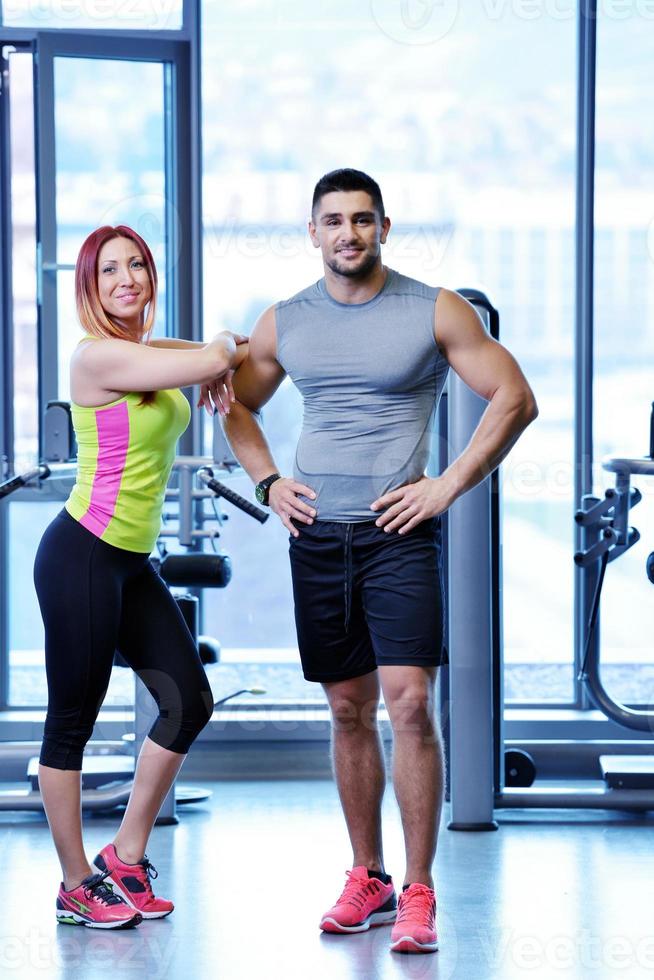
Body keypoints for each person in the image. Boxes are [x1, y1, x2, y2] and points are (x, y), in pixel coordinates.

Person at [222, 169, 538, 955]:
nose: (348, 234)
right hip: (318, 537)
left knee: (408, 706)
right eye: (333, 221)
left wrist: (446, 486)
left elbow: (514, 397)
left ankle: (420, 890)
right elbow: (236, 405)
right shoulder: (285, 321)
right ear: (313, 231)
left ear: (384, 228)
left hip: (399, 534)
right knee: (346, 710)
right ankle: (368, 875)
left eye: (362, 220)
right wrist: (267, 480)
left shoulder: (432, 309)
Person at [34, 224, 247, 929]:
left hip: (130, 561)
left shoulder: (144, 351)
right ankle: (74, 884)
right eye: (110, 272)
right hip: (82, 556)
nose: (127, 279)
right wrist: (215, 358)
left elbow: (222, 345)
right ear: (89, 289)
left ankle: (125, 856)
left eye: (138, 266)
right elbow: (218, 353)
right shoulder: (96, 358)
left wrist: (216, 354)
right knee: (72, 726)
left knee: (189, 700)